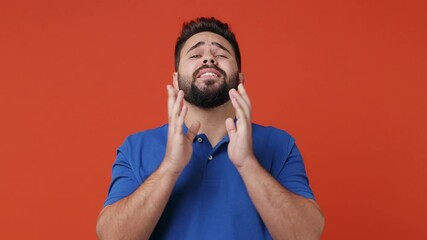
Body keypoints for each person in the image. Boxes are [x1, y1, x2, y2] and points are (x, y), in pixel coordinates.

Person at [96, 17, 324, 240]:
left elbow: (307, 234)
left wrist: (248, 163)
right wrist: (170, 167)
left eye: (221, 54)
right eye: (195, 55)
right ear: (175, 80)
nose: (208, 60)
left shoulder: (279, 144)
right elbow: (111, 236)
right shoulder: (135, 148)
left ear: (240, 79)